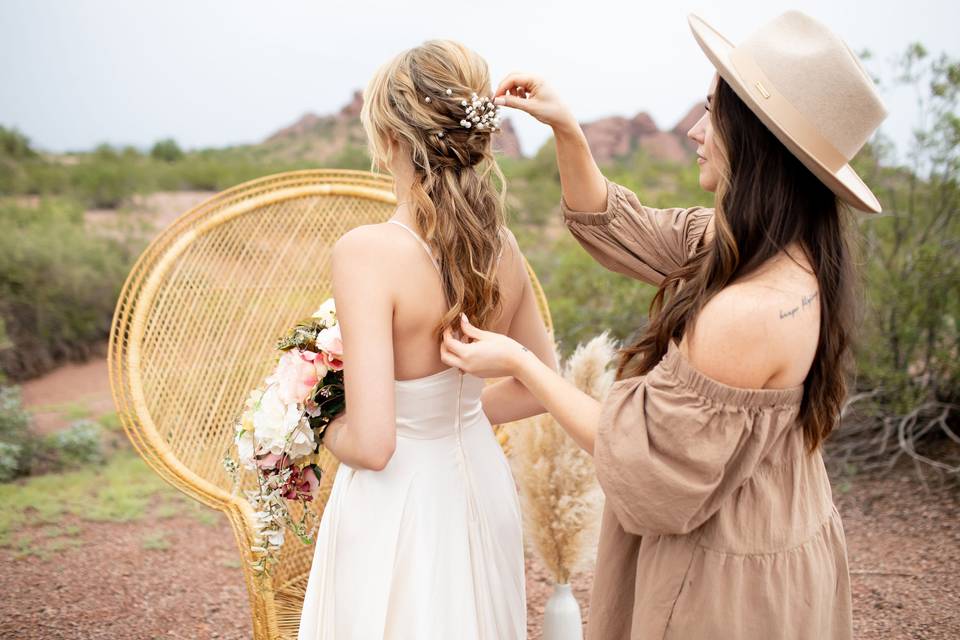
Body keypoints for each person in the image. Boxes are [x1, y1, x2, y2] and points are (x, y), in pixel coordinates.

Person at [440, 11, 887, 640]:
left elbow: (642, 462)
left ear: (758, 139)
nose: (696, 131)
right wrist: (568, 129)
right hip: (774, 533)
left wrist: (522, 365)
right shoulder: (767, 250)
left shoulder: (752, 310)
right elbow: (625, 228)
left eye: (713, 112)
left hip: (727, 582)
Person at [297, 40, 556, 640]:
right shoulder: (505, 250)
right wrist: (453, 419)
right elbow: (540, 383)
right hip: (482, 487)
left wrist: (309, 421)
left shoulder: (367, 253)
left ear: (391, 141)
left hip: (401, 504)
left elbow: (375, 443)